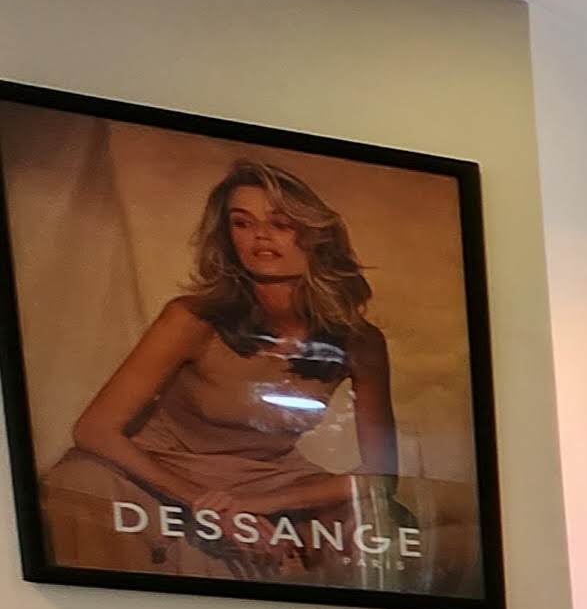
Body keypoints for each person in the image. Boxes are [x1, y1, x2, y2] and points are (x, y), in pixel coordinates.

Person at [44, 159, 402, 586]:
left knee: (374, 520)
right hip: (163, 469)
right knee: (78, 484)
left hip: (269, 480)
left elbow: (380, 477)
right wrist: (207, 505)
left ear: (316, 235)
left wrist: (256, 505)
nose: (260, 235)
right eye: (242, 223)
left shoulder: (360, 341)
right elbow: (94, 429)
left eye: (280, 223)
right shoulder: (191, 319)